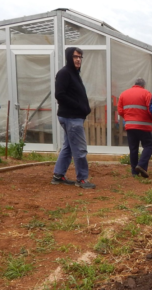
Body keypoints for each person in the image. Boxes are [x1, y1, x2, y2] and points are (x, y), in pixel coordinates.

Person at [50, 47, 95, 189]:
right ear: (69, 57)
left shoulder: (74, 73)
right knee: (80, 149)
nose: (78, 59)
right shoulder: (64, 73)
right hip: (71, 117)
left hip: (73, 117)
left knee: (68, 147)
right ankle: (81, 179)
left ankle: (58, 175)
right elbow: (60, 94)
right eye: (75, 56)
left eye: (80, 57)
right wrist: (79, 107)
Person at [118, 78, 152, 178]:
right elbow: (150, 109)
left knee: (133, 148)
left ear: (134, 84)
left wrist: (128, 118)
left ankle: (134, 172)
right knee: (149, 145)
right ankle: (142, 165)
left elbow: (120, 110)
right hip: (144, 126)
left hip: (130, 126)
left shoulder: (124, 94)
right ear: (143, 85)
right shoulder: (147, 94)